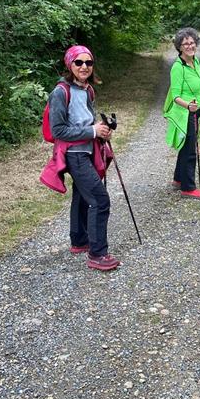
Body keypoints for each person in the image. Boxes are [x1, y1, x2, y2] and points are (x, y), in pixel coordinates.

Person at [42, 45, 119, 271]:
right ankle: (98, 254)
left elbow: (85, 121)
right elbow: (58, 131)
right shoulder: (60, 92)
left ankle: (79, 240)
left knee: (83, 196)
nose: (84, 67)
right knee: (100, 200)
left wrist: (101, 130)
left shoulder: (87, 90)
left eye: (88, 62)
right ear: (70, 64)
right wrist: (93, 131)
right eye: (79, 62)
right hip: (73, 155)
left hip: (87, 151)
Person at [163, 28, 200, 198]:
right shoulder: (177, 67)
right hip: (185, 113)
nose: (190, 46)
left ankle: (178, 180)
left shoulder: (195, 61)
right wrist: (188, 106)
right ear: (179, 47)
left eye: (192, 42)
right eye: (185, 43)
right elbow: (176, 96)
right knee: (190, 149)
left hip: (196, 110)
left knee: (187, 146)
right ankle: (188, 188)